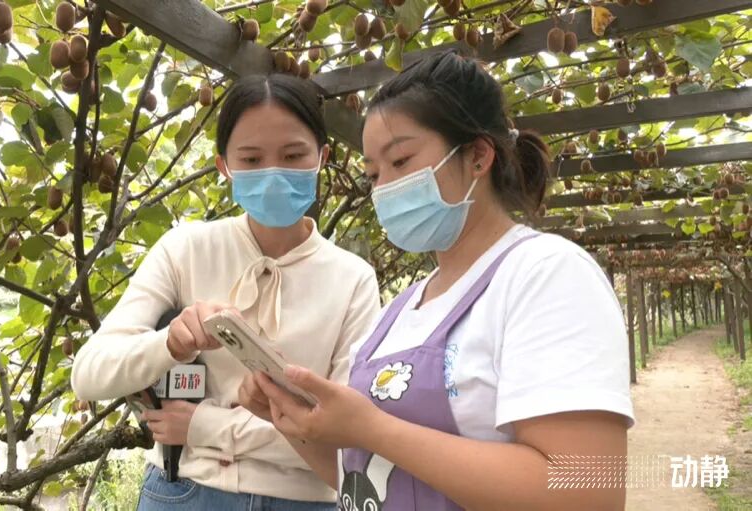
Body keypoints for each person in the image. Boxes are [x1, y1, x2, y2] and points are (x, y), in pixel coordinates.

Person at [239, 51, 636, 511]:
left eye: (400, 161)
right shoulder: (398, 311)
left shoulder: (545, 274)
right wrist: (294, 423)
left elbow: (587, 491)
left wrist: (372, 427)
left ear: (478, 155)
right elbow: (364, 476)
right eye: (373, 175)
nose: (384, 187)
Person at [70, 74, 381, 510]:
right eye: (251, 159)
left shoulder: (353, 280)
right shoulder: (185, 250)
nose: (273, 174)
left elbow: (347, 439)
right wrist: (169, 344)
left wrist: (203, 426)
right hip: (181, 495)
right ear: (224, 167)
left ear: (322, 157)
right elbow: (89, 374)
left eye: (293, 155)